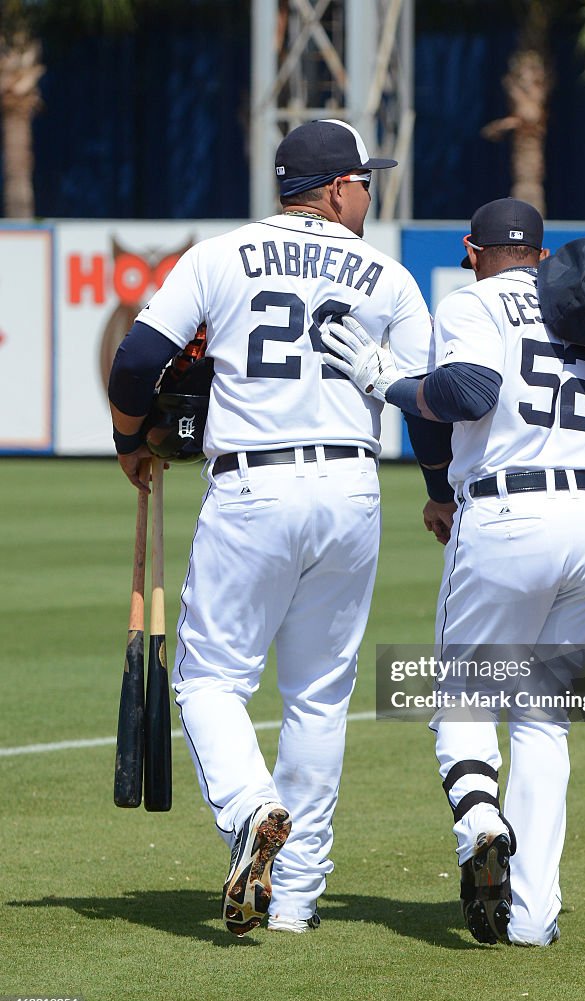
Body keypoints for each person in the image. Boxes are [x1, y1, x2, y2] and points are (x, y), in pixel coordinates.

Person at [320, 197, 585, 947]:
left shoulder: (473, 301)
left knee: (459, 696)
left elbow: (468, 394)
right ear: (540, 251)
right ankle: (532, 917)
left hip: (509, 515)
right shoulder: (583, 309)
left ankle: (481, 823)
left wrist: (382, 378)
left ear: (474, 248)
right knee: (542, 719)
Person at [107, 119, 433, 936]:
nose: (371, 190)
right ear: (332, 189)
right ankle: (294, 901)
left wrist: (128, 442)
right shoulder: (388, 275)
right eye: (365, 178)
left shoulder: (221, 254)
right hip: (352, 487)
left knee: (211, 680)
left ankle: (252, 808)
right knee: (319, 698)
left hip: (253, 485)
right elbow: (428, 402)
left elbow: (136, 364)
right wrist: (438, 490)